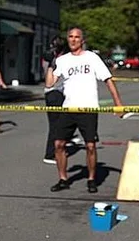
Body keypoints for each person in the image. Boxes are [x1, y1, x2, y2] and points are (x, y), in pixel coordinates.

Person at [44, 27, 124, 193]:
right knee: (58, 144)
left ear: (82, 40)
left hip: (88, 108)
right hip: (68, 108)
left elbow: (108, 80)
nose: (73, 40)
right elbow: (50, 84)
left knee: (90, 146)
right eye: (70, 37)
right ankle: (63, 178)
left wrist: (118, 103)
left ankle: (91, 179)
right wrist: (51, 65)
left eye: (76, 37)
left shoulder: (92, 58)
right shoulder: (63, 60)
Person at [42, 36, 66, 165]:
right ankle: (50, 154)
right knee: (55, 125)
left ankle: (61, 145)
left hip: (58, 93)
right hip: (54, 94)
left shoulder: (58, 59)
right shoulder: (52, 60)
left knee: (63, 123)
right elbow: (49, 83)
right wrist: (52, 64)